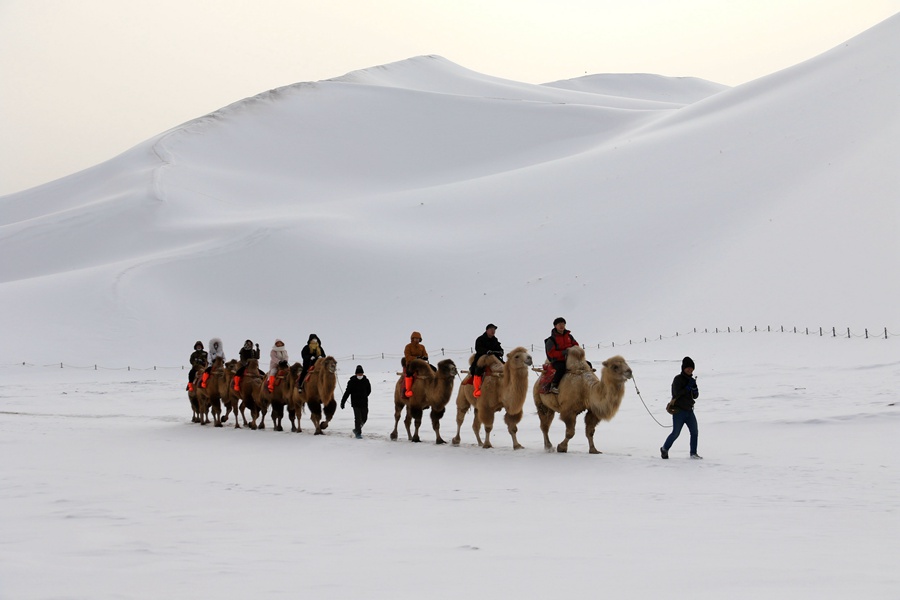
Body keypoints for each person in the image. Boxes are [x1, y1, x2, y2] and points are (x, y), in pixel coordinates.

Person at [660, 356, 701, 459]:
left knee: (694, 432)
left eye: (691, 368)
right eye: (688, 368)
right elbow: (676, 394)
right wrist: (687, 388)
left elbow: (695, 396)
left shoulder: (692, 380)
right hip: (679, 411)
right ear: (683, 368)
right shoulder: (677, 379)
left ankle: (693, 453)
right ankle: (664, 449)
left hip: (689, 411)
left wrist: (695, 389)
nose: (690, 370)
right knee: (676, 433)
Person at [544, 317, 578, 394]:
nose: (562, 326)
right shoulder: (551, 340)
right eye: (559, 324)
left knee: (587, 364)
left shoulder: (569, 336)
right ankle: (554, 385)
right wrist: (563, 352)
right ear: (555, 326)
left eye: (563, 324)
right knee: (561, 369)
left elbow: (576, 345)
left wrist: (574, 350)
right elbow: (551, 353)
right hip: (558, 360)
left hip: (571, 359)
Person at [471, 323, 503, 398]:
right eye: (491, 329)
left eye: (494, 330)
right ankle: (477, 389)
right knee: (478, 370)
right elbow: (478, 349)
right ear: (487, 330)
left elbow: (499, 348)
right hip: (482, 358)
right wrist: (486, 351)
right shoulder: (480, 339)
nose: (493, 331)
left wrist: (501, 351)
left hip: (494, 359)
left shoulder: (495, 340)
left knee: (505, 367)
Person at [341, 365, 372, 439]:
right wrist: (343, 402)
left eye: (361, 374)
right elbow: (347, 392)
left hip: (364, 402)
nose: (360, 375)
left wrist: (364, 396)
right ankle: (358, 433)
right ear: (356, 374)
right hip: (355, 403)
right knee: (357, 418)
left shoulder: (366, 381)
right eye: (358, 374)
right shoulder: (352, 382)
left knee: (364, 418)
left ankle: (356, 429)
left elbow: (369, 390)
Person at [403, 331, 428, 398]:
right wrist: (416, 358)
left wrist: (425, 357)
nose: (417, 340)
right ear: (412, 339)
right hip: (411, 364)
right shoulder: (408, 347)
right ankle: (407, 390)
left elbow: (425, 354)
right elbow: (407, 357)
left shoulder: (422, 347)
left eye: (418, 338)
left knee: (433, 369)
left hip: (421, 364)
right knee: (409, 374)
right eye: (415, 338)